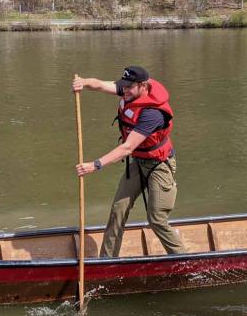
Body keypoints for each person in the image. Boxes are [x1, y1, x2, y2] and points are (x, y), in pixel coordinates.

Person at [73, 66, 187, 257]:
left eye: (129, 87)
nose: (124, 90)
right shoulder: (129, 91)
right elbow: (101, 85)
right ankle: (107, 262)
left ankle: (184, 260)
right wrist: (84, 83)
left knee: (157, 219)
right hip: (138, 163)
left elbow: (127, 148)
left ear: (142, 86)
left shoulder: (152, 113)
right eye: (123, 86)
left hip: (159, 165)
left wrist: (95, 165)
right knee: (118, 210)